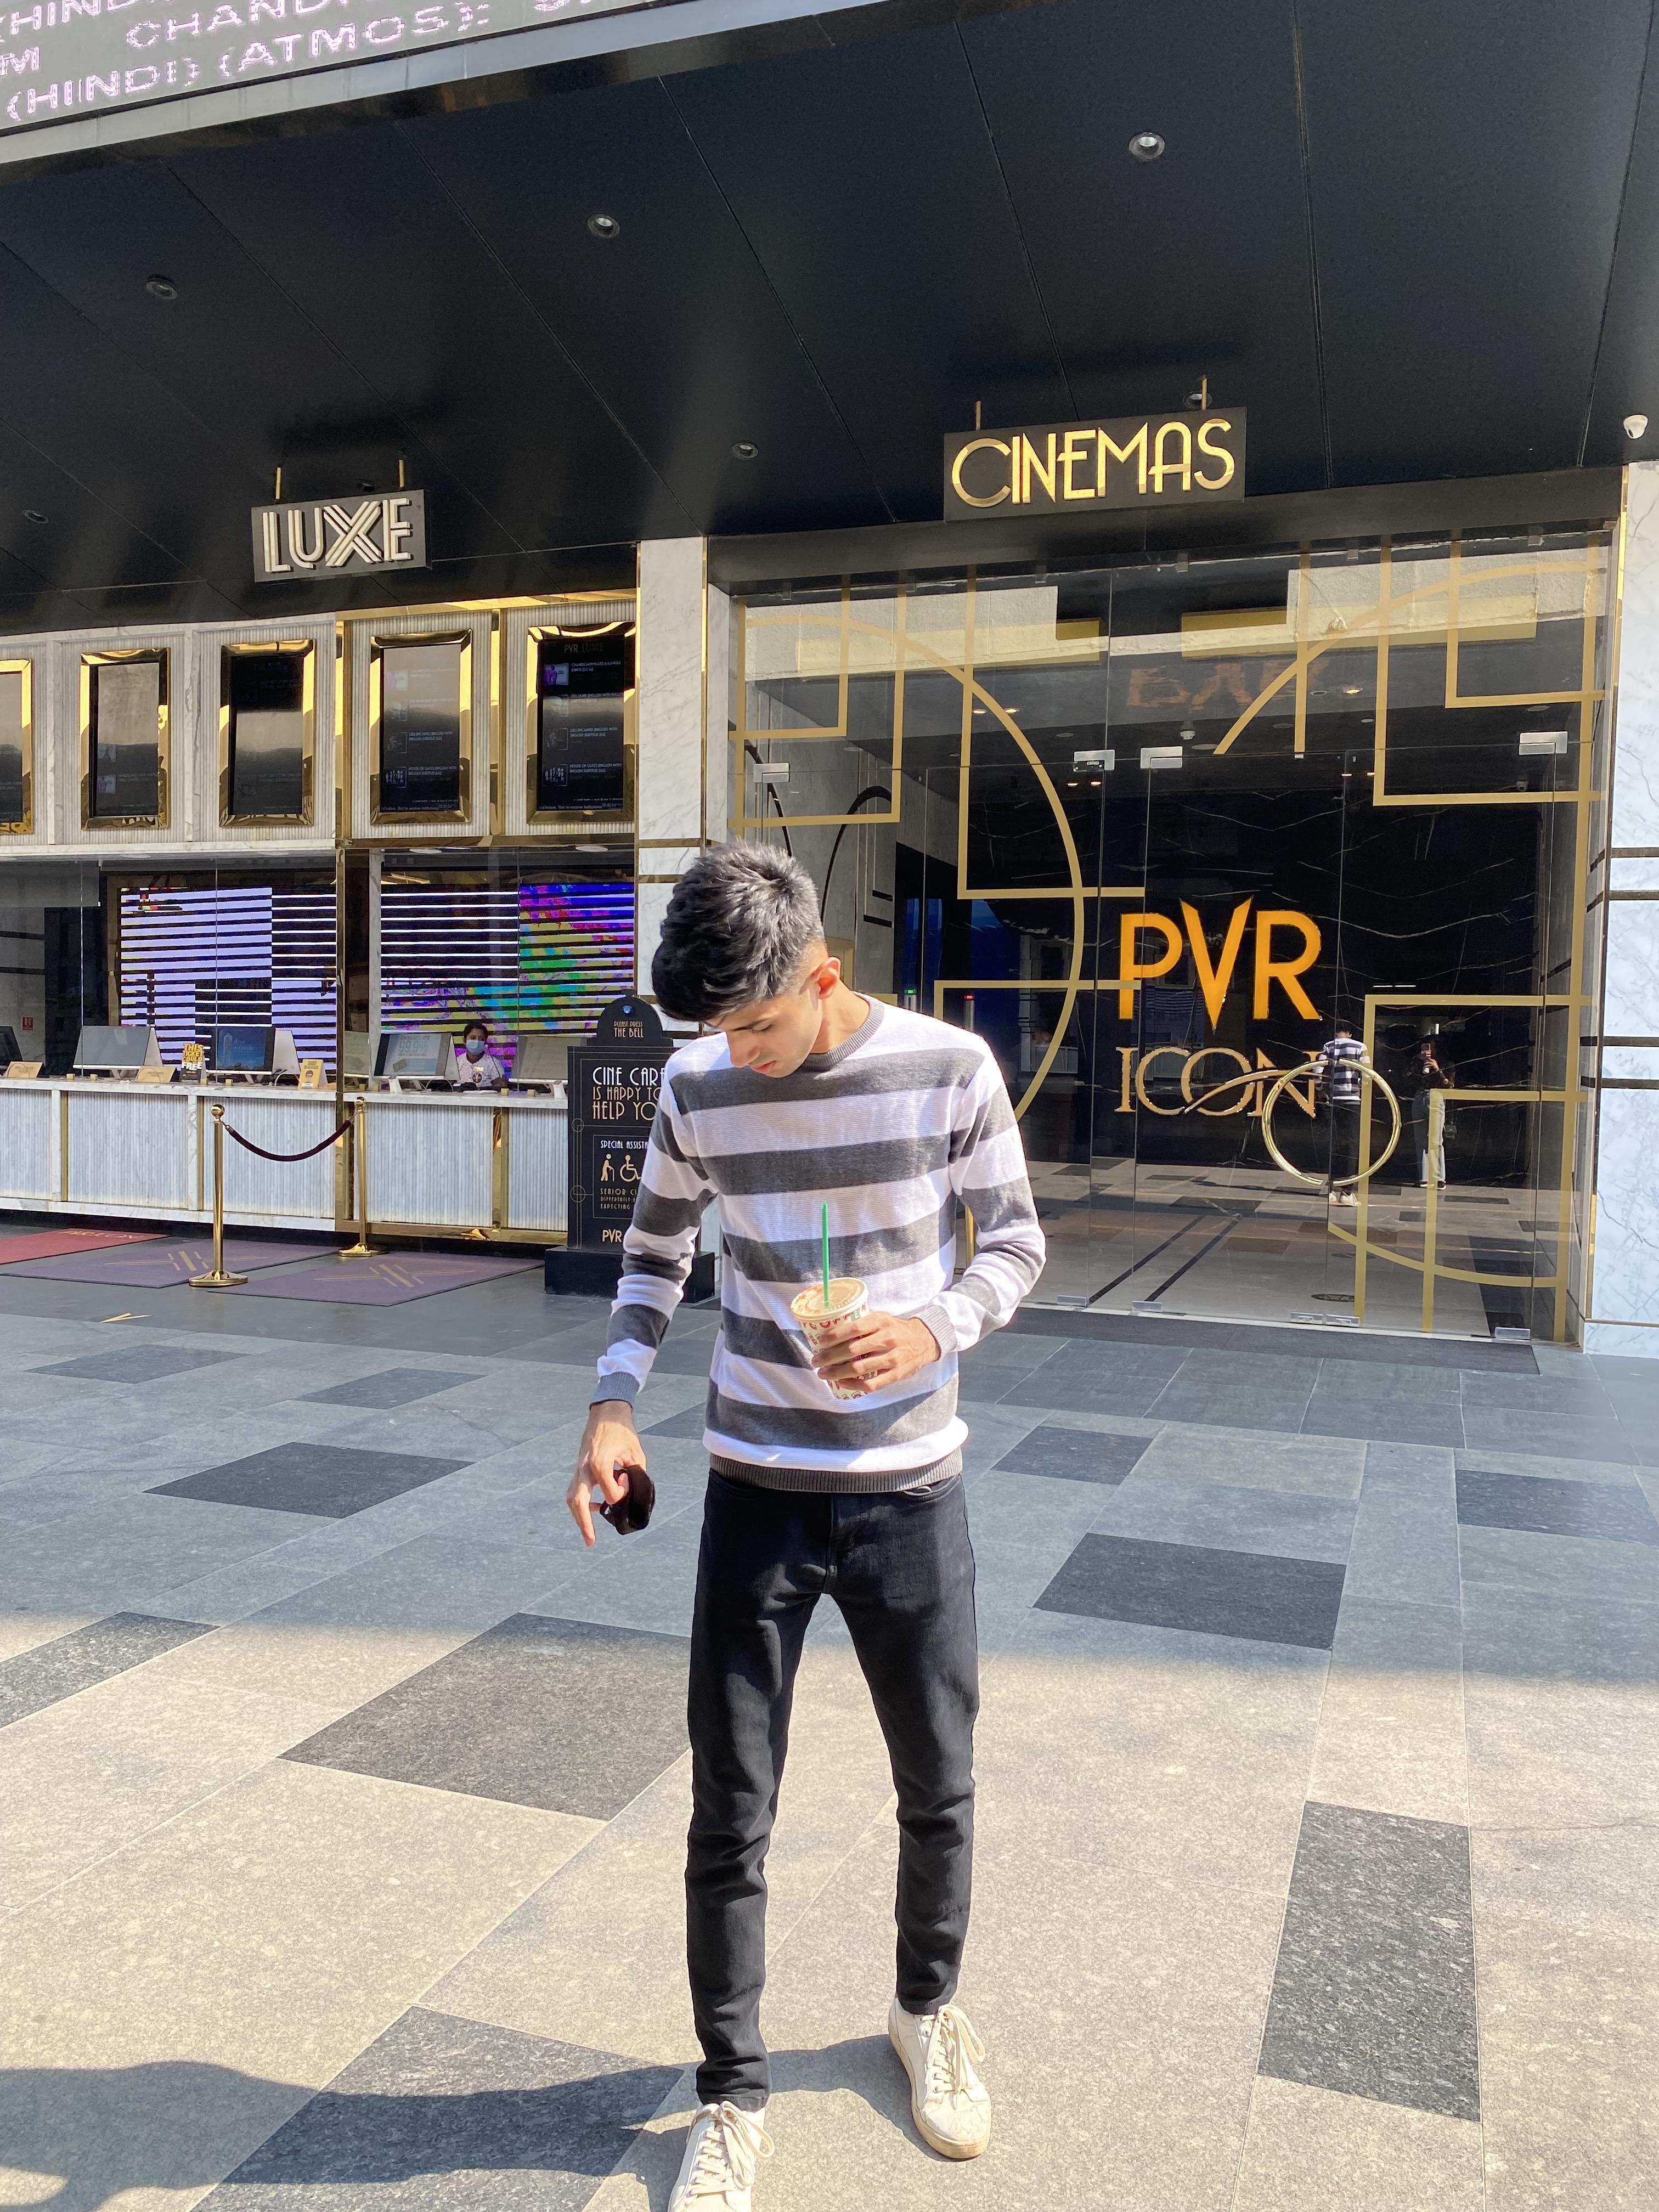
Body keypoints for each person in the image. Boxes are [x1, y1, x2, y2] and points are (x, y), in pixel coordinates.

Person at [567, 845, 1045, 2212]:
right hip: (757, 1490)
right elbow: (654, 1255)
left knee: (938, 1783)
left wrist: (930, 1329)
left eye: (759, 1025)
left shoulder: (950, 1069)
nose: (740, 1054)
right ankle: (731, 2093)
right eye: (717, 1031)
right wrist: (612, 1405)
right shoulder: (698, 1083)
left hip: (911, 1491)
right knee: (730, 1808)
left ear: (824, 976)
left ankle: (925, 2010)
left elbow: (1016, 1245)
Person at [1316, 1019, 1368, 1206]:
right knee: (1351, 1145)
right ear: (1350, 1033)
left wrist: (1321, 1090)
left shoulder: (1328, 1047)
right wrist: (1359, 1087)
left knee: (1334, 1144)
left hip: (1334, 1100)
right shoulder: (1360, 1047)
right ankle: (1346, 1192)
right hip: (1353, 1100)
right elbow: (1367, 1075)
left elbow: (1317, 1072)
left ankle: (1331, 1190)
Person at [1403, 1036, 1452, 1187]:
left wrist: (1438, 1070)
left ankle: (1439, 1178)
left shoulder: (1446, 1064)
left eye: (1433, 1048)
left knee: (1436, 1140)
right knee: (1420, 1139)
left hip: (1436, 1096)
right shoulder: (1419, 1062)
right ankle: (1424, 1177)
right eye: (1427, 1048)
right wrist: (1418, 1059)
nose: (1430, 1051)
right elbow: (1406, 1076)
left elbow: (1450, 1085)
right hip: (1420, 1096)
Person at [453, 1017, 504, 1090]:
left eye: (481, 1039)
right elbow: (448, 1087)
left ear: (485, 1042)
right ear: (464, 1041)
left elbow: (500, 1089)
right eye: (473, 1038)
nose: (477, 1042)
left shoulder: (493, 1063)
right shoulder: (457, 1062)